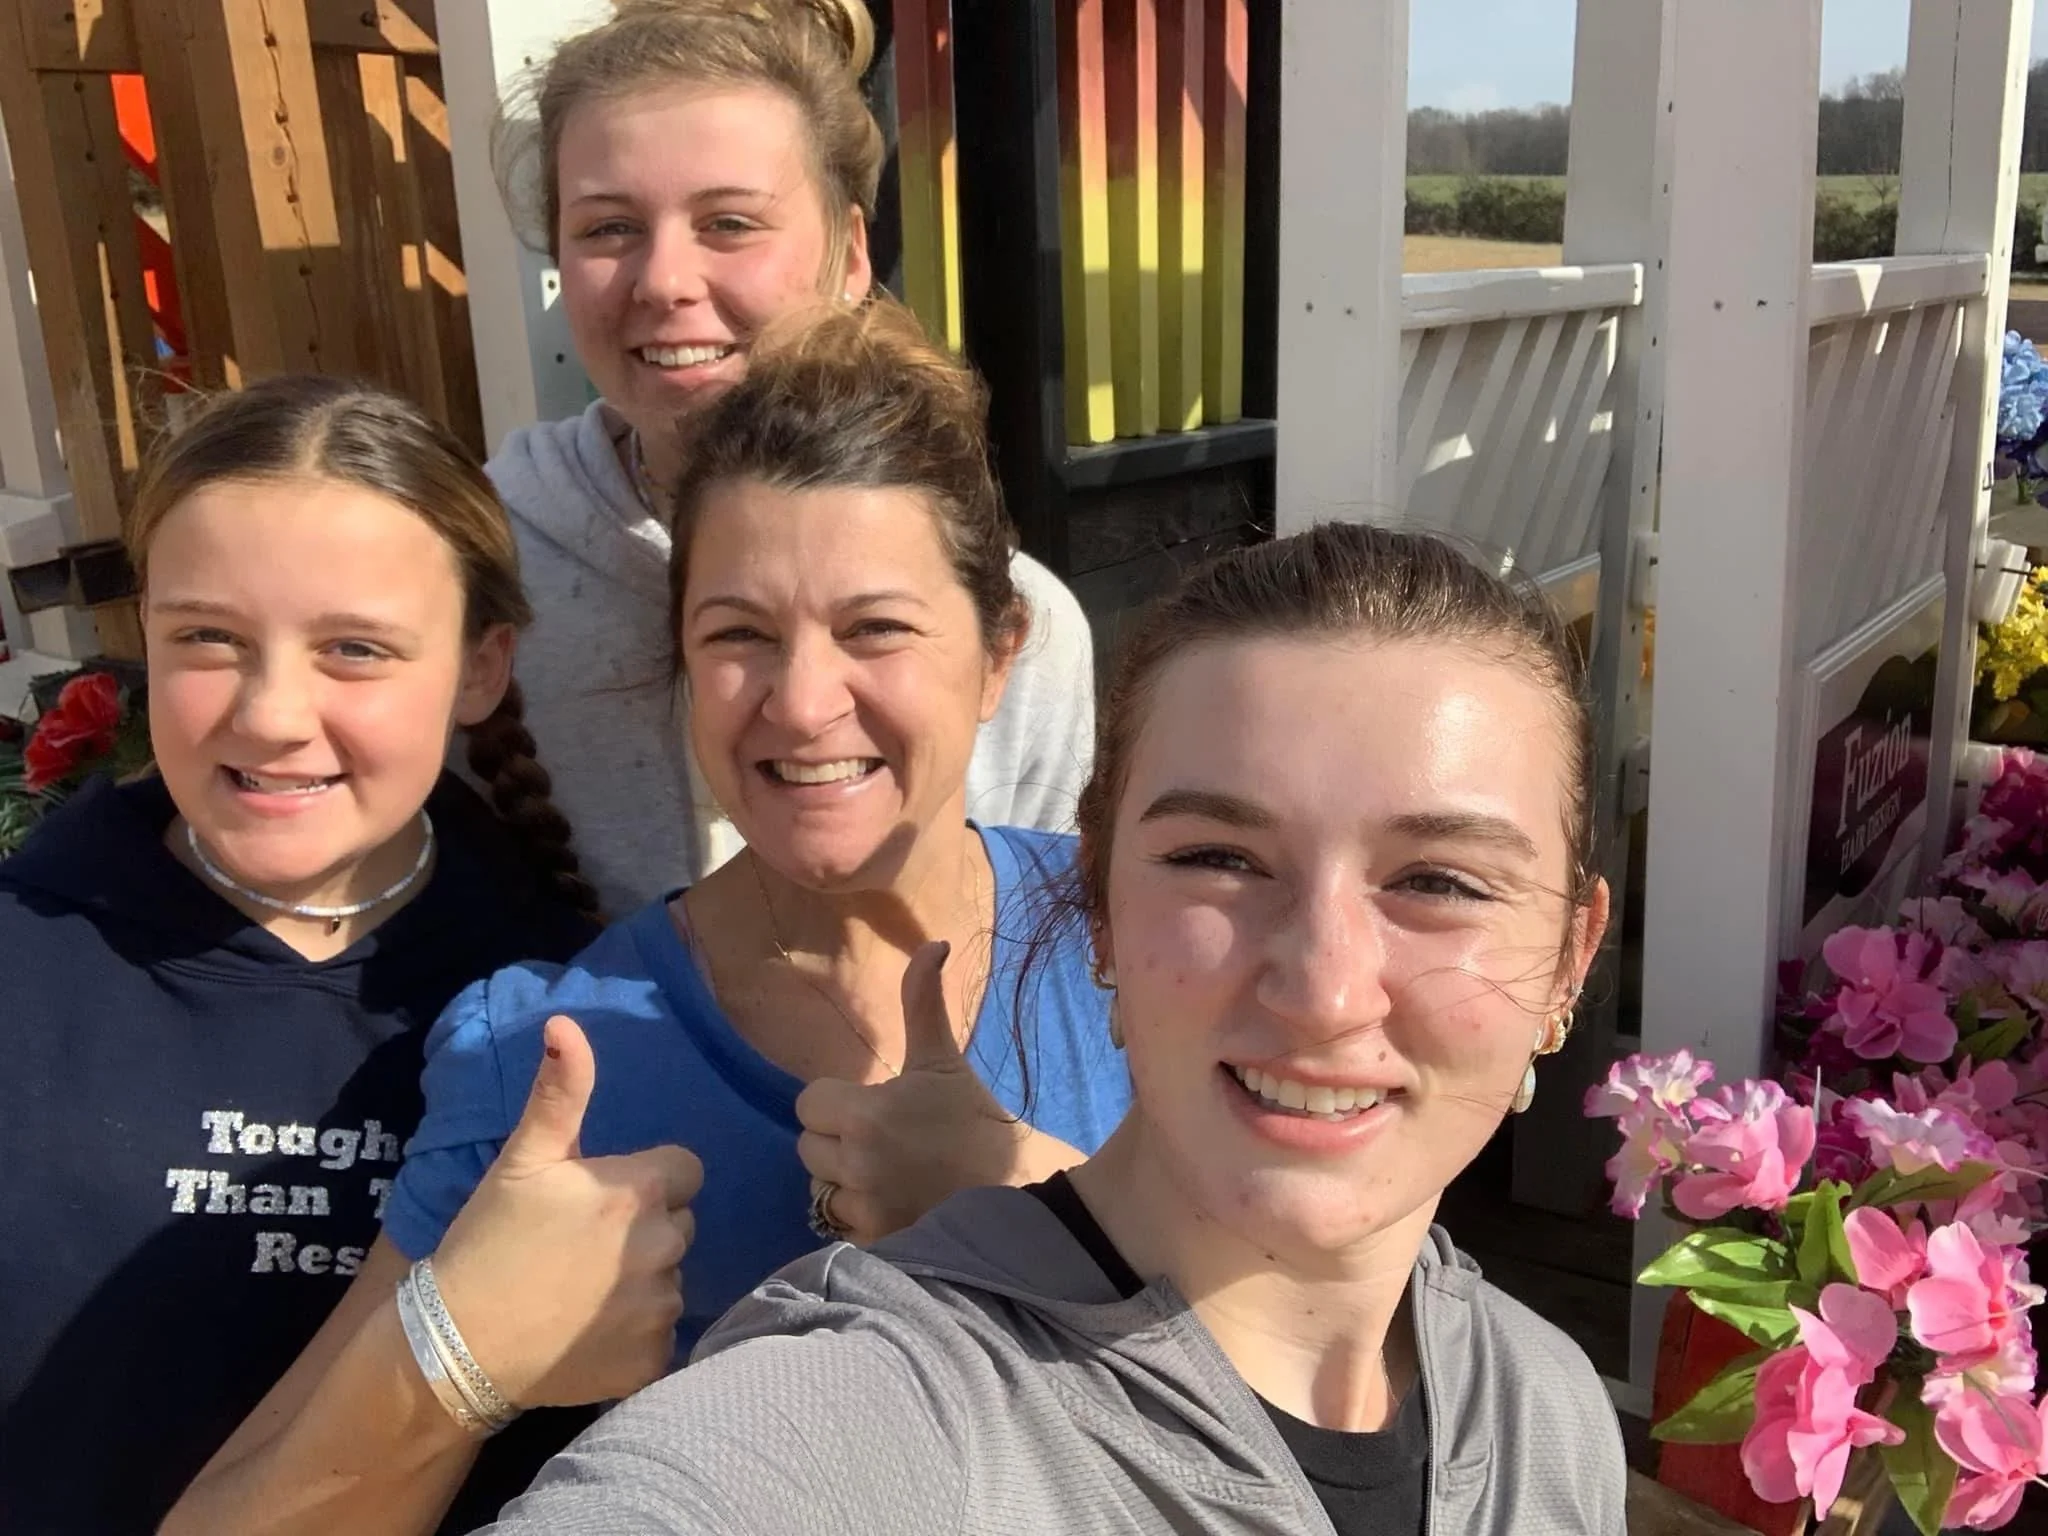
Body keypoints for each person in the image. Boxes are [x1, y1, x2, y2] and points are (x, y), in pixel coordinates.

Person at [165, 299, 1129, 1534]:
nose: (801, 700)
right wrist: (462, 1353)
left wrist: (1033, 1220)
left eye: (875, 629)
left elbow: (1357, 1389)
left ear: (999, 655)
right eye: (738, 635)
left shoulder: (1145, 942)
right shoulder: (551, 1060)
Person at [475, 521, 1630, 1535]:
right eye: (1218, 860)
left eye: (1438, 881)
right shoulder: (892, 1414)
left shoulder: (1547, 1409)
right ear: (1100, 914)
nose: (1323, 989)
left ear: (1569, 957)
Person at [0, 376, 606, 1534]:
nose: (273, 712)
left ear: (482, 667)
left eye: (355, 649)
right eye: (209, 639)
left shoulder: (576, 1013)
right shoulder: (23, 968)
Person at [486, 0, 1097, 911]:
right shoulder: (475, 571)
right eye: (609, 228)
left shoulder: (1017, 629)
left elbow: (1044, 955)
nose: (663, 280)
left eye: (729, 223)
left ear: (851, 254)